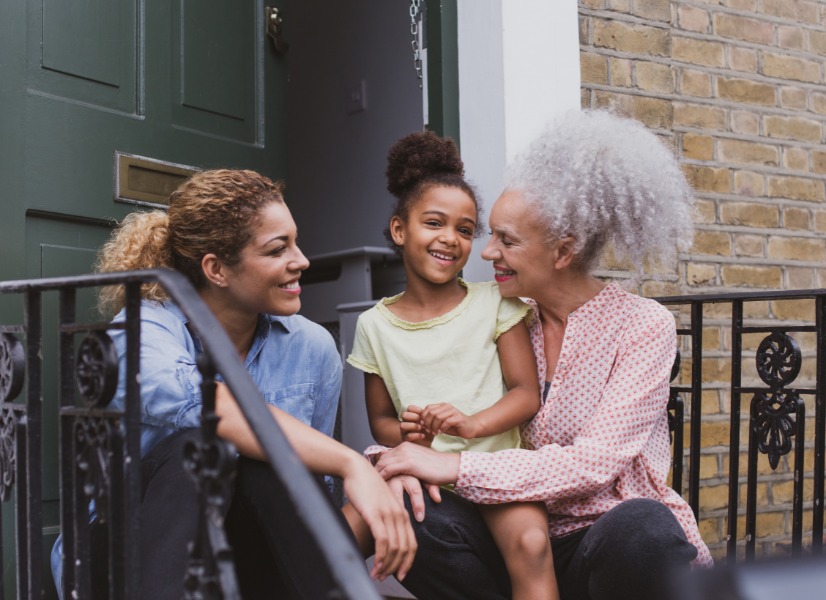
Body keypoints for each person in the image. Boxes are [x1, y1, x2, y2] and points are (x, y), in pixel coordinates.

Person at [373, 109, 714, 600]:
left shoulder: (642, 326)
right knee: (415, 509)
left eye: (507, 240)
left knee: (646, 528)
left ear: (563, 251)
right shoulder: (499, 316)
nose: (487, 254)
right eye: (489, 235)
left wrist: (458, 468)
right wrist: (396, 459)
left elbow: (593, 465)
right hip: (509, 537)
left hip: (601, 540)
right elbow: (435, 413)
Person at [50, 169, 416, 599]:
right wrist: (352, 464)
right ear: (216, 269)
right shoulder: (141, 330)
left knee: (272, 461)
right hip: (124, 555)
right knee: (209, 444)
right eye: (278, 249)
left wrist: (385, 482)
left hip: (239, 558)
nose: (301, 261)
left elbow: (309, 491)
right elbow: (208, 404)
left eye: (295, 243)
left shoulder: (312, 347)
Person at [344, 131, 558, 600]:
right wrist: (409, 437)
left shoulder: (495, 303)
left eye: (464, 229)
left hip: (499, 470)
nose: (450, 239)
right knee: (355, 522)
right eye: (434, 223)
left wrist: (469, 425)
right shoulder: (374, 326)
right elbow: (380, 419)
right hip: (426, 471)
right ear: (400, 230)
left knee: (531, 542)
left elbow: (526, 393)